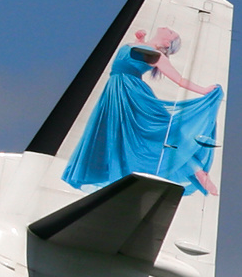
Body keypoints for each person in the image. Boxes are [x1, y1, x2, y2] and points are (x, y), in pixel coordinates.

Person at [61, 27, 222, 195]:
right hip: (115, 92)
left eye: (172, 33)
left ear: (167, 43)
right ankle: (117, 174)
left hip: (131, 93)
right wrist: (140, 39)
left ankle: (197, 170)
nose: (169, 29)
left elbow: (180, 80)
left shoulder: (156, 56)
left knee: (162, 133)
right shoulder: (141, 45)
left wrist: (203, 90)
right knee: (114, 134)